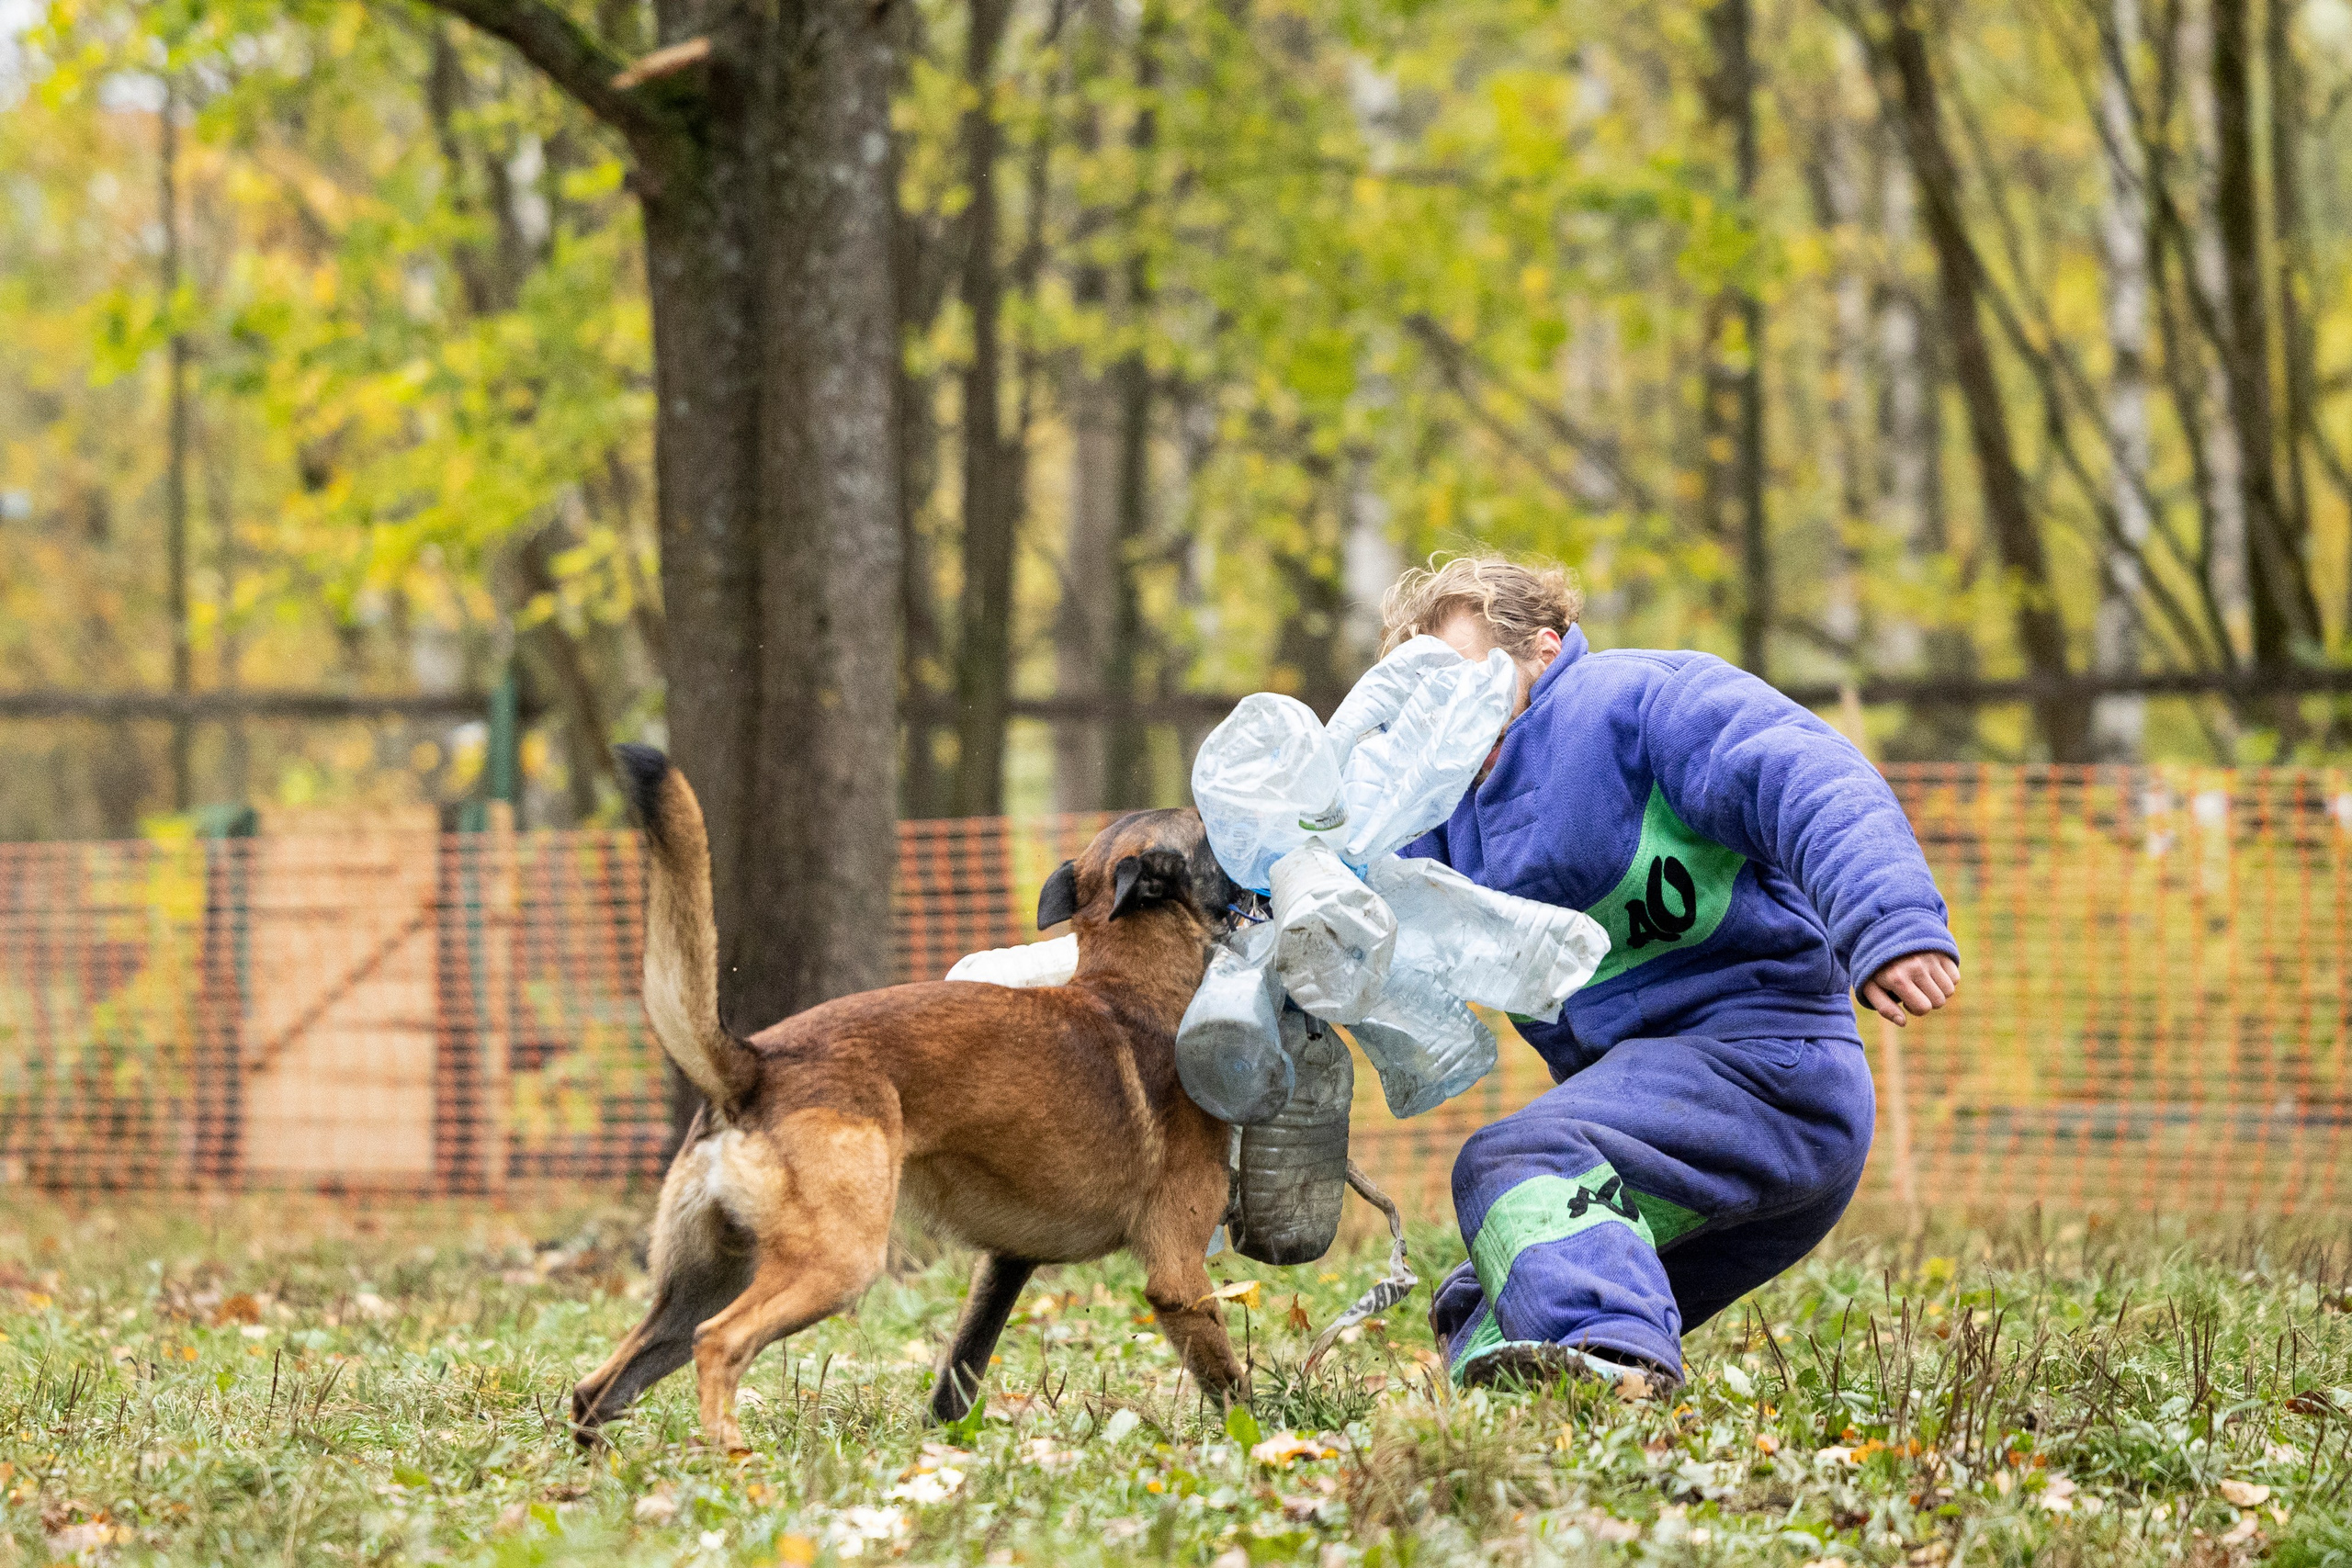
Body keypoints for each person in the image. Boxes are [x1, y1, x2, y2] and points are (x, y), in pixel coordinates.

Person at [1385, 554, 1960, 1393]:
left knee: (1517, 1159)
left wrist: (1888, 919)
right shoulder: (1442, 821)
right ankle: (1539, 1423)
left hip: (1775, 1066)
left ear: (1544, 649)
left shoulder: (1637, 701)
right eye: (1426, 686)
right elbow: (1358, 908)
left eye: (1466, 672)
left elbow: (1804, 773)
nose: (1451, 703)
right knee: (1494, 1288)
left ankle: (1617, 1372)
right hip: (1667, 1119)